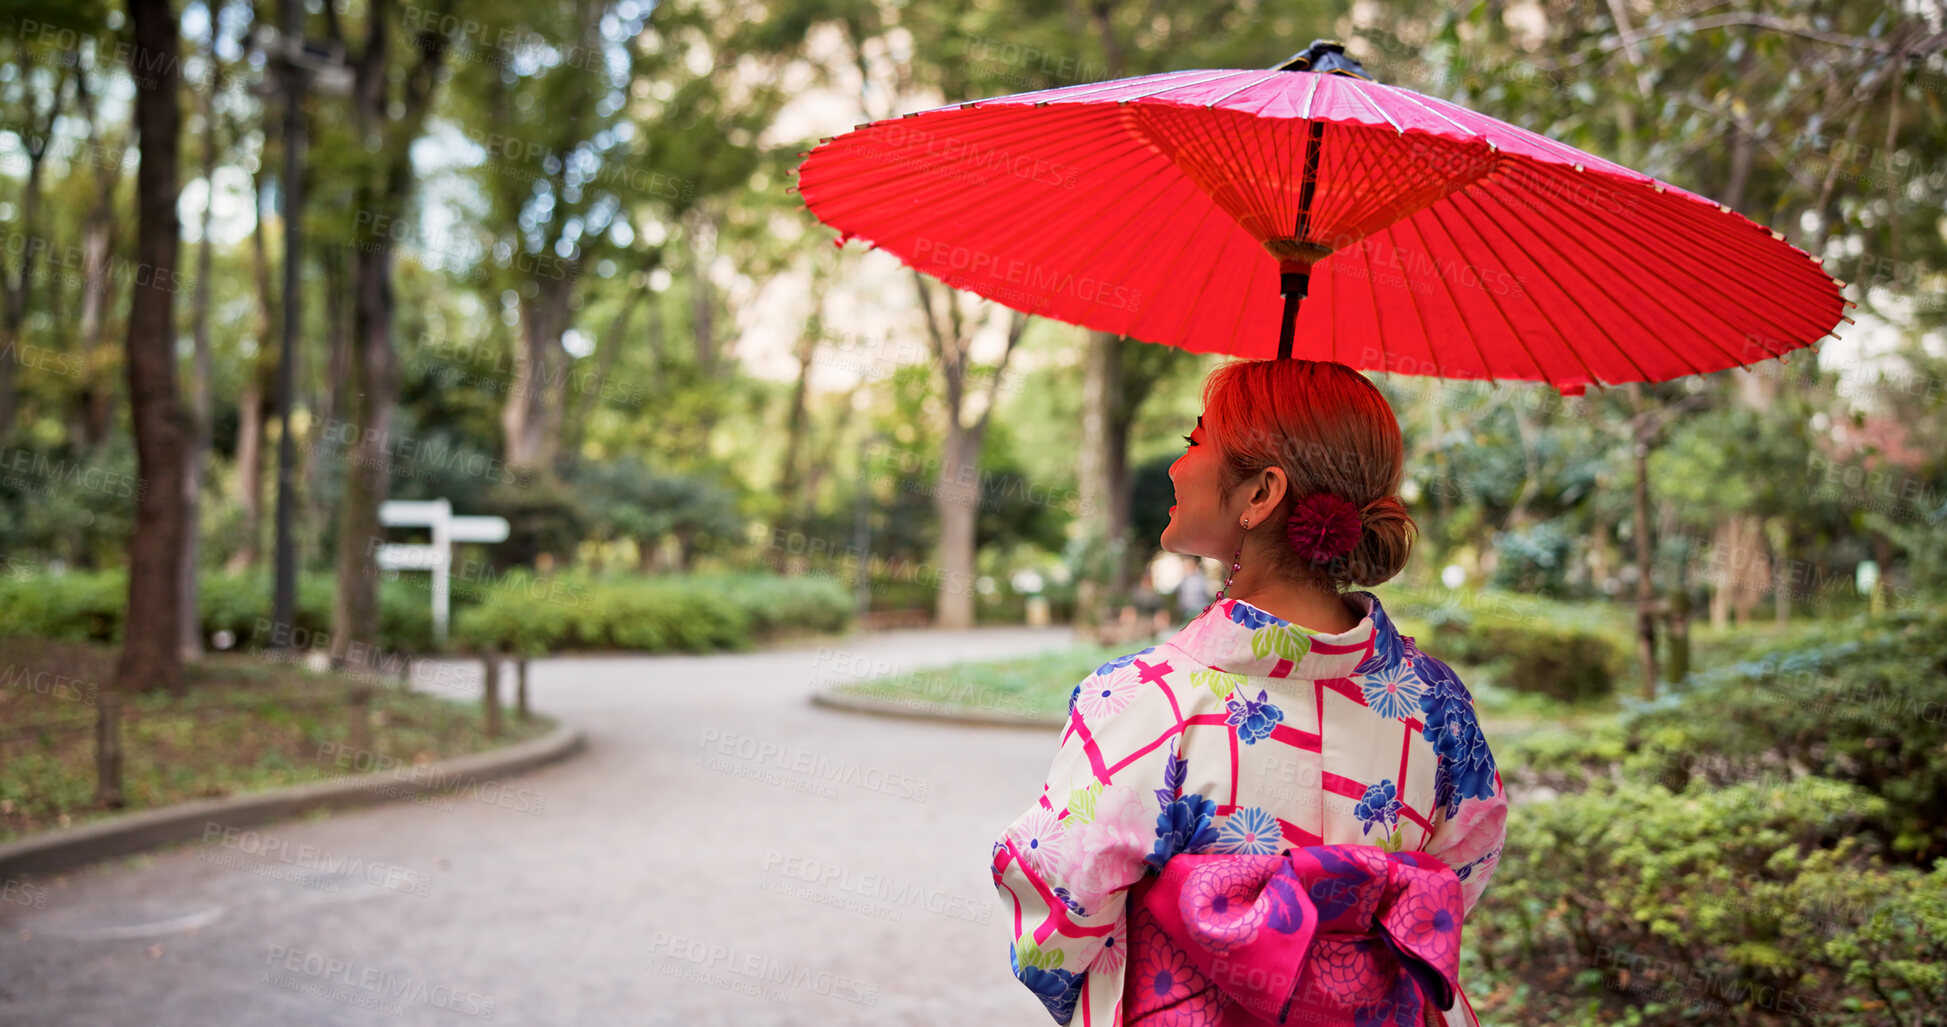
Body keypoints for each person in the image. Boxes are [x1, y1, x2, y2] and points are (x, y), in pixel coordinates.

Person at [990, 359, 1507, 1027]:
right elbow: (1459, 875)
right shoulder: (1438, 703)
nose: (1177, 468)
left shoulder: (1148, 699)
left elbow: (1060, 908)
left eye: (1193, 441)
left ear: (1261, 493)